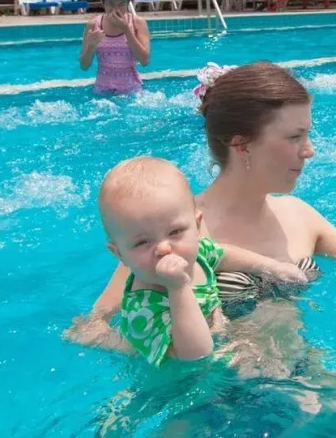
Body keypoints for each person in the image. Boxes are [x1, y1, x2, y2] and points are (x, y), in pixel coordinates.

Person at [68, 60, 336, 339]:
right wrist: (186, 356)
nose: (310, 150)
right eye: (295, 136)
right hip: (212, 408)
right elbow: (91, 329)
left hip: (300, 378)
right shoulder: (173, 230)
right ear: (242, 144)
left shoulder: (298, 216)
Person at [95, 156, 312, 365]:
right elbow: (195, 355)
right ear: (119, 254)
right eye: (142, 242)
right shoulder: (143, 309)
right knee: (265, 367)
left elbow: (222, 254)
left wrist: (271, 266)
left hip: (220, 339)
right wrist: (178, 288)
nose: (164, 248)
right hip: (187, 385)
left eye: (176, 231)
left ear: (197, 225)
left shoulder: (195, 252)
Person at [81, 0, 150, 96]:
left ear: (128, 3)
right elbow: (84, 66)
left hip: (131, 91)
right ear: (102, 2)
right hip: (102, 91)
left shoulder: (137, 23)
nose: (116, 9)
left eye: (121, 5)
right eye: (111, 4)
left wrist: (126, 29)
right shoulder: (94, 24)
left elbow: (144, 61)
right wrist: (91, 46)